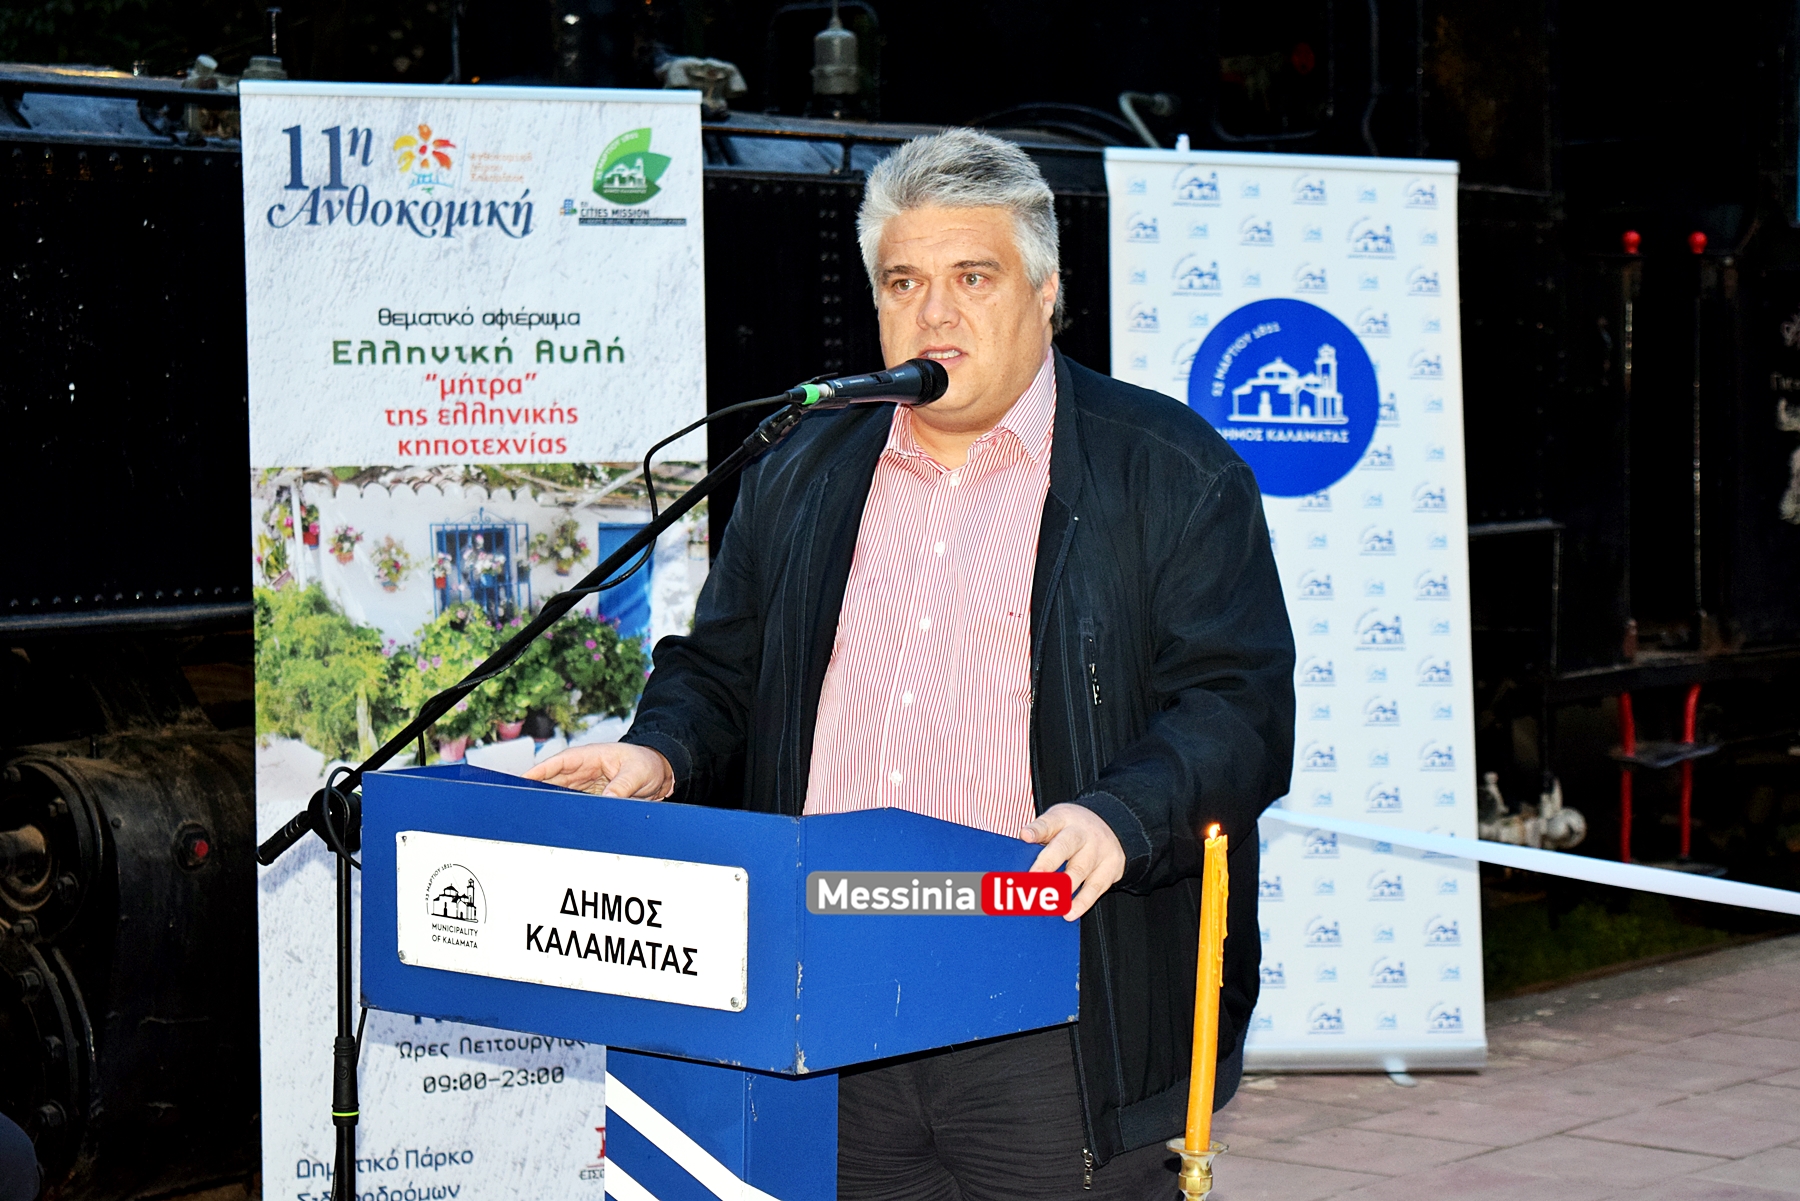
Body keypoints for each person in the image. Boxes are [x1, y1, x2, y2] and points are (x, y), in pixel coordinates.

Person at [528, 128, 1295, 1199]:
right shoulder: (801, 465)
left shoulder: (1170, 471)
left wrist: (1118, 815)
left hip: (1059, 999)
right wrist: (658, 751)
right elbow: (722, 669)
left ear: (1046, 292)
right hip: (828, 993)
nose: (935, 312)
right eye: (904, 282)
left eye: (971, 277)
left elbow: (1237, 706)